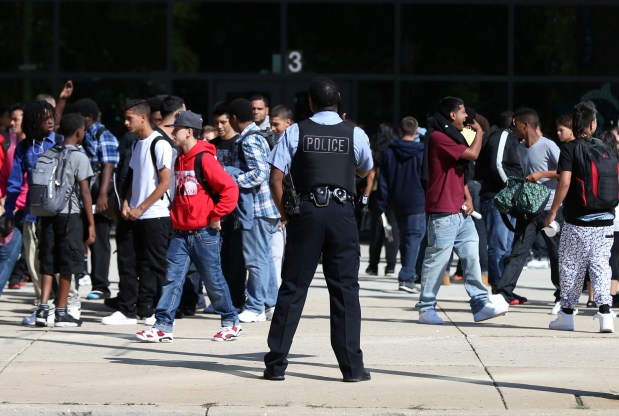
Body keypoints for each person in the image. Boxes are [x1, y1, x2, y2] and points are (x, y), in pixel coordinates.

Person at [264, 76, 373, 382]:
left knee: (293, 289)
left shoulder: (296, 130)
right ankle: (352, 368)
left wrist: (286, 214)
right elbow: (366, 168)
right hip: (342, 214)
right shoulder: (355, 133)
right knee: (345, 291)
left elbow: (275, 177)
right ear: (338, 99)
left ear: (310, 102)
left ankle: (275, 366)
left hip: (308, 213)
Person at [135, 110, 241, 342]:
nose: (173, 132)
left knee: (213, 281)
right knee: (172, 279)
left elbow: (230, 190)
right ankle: (163, 326)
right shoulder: (179, 158)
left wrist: (217, 215)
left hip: (205, 233)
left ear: (189, 132)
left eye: (177, 128)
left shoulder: (204, 159)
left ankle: (231, 320)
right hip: (180, 233)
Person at [416, 96, 508, 325]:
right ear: (452, 115)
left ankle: (479, 304)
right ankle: (426, 308)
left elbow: (459, 173)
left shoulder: (449, 137)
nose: (467, 117)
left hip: (460, 210)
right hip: (443, 211)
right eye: (463, 112)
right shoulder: (438, 137)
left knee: (472, 255)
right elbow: (472, 155)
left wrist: (467, 197)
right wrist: (480, 133)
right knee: (437, 260)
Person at [101, 99, 172, 325]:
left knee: (153, 264)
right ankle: (127, 309)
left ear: (143, 117)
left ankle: (151, 309)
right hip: (134, 213)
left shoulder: (159, 143)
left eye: (129, 118)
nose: (125, 122)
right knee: (128, 260)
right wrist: (127, 201)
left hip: (155, 215)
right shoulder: (137, 143)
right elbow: (135, 176)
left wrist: (141, 206)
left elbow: (165, 183)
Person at [548, 101, 617, 332]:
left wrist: (553, 210)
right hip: (606, 219)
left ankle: (566, 315)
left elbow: (565, 182)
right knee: (600, 265)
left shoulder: (569, 149)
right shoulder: (605, 148)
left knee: (570, 265)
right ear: (593, 124)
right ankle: (606, 314)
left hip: (578, 220)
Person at [495, 107, 562, 312]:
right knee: (519, 251)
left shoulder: (548, 145)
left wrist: (542, 174)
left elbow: (566, 172)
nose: (512, 129)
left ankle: (562, 295)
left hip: (550, 208)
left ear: (525, 125)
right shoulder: (520, 148)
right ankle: (503, 294)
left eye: (515, 126)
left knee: (556, 254)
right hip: (529, 209)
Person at [35, 114, 95, 327]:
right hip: (69, 215)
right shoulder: (80, 157)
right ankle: (61, 312)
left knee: (48, 262)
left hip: (48, 214)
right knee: (67, 263)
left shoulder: (49, 152)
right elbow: (85, 193)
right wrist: (91, 223)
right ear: (79, 132)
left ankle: (42, 310)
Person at [228, 98, 280, 323]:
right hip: (269, 207)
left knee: (254, 259)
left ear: (234, 118)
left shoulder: (248, 140)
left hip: (257, 208)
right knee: (265, 258)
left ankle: (255, 306)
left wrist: (233, 179)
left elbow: (260, 173)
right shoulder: (258, 135)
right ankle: (270, 303)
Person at [72, 98, 119, 301]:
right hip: (83, 195)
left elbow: (108, 165)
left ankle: (101, 285)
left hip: (99, 197)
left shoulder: (103, 135)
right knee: (80, 238)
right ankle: (76, 279)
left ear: (88, 117)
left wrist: (102, 196)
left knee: (99, 240)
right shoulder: (81, 136)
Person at [375, 116, 425, 293]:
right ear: (416, 131)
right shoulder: (421, 152)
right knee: (413, 239)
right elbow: (426, 178)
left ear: (400, 131)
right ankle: (407, 277)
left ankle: (407, 273)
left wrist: (381, 203)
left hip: (397, 201)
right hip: (417, 200)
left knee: (406, 239)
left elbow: (384, 180)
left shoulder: (390, 151)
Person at [475, 115, 523, 295]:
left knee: (507, 247)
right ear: (514, 121)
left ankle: (504, 287)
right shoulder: (502, 136)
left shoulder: (512, 139)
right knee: (499, 245)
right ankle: (498, 287)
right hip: (498, 198)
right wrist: (511, 188)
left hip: (507, 199)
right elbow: (497, 163)